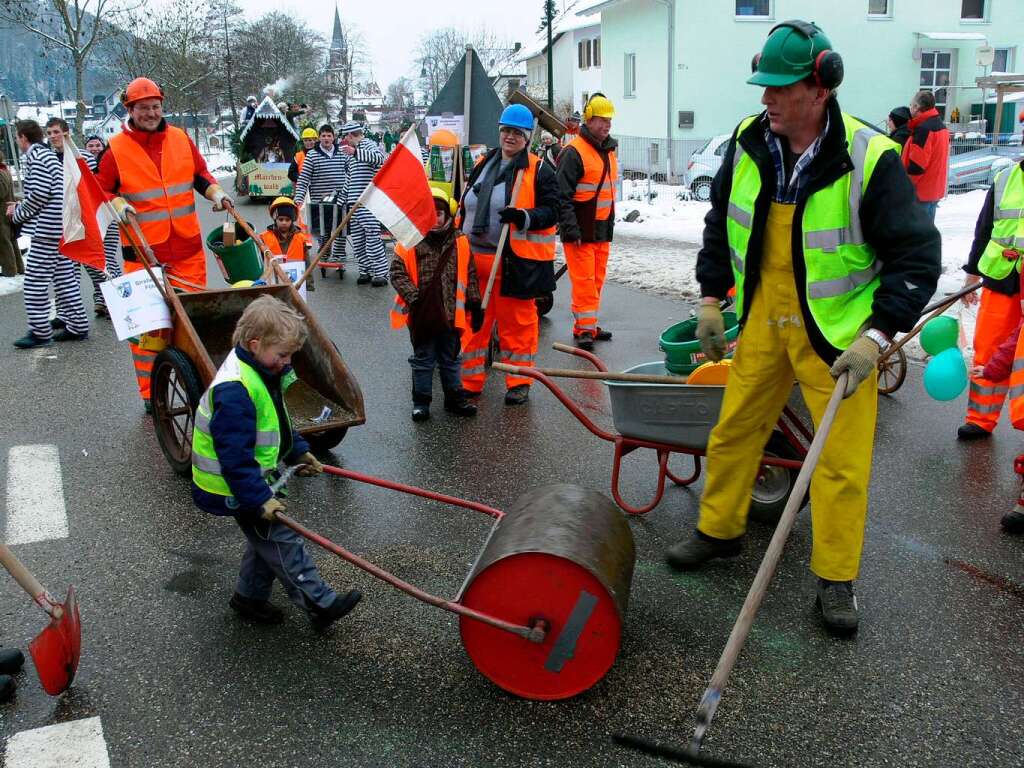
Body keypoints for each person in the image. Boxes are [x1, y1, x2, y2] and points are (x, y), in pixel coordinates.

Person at [665, 20, 941, 635]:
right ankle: (719, 530)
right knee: (735, 427)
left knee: (840, 463)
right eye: (762, 86)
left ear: (819, 89)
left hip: (839, 336)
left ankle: (836, 581)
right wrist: (712, 298)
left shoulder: (872, 159)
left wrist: (877, 336)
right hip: (765, 313)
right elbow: (721, 223)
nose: (765, 99)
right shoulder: (748, 141)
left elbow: (919, 261)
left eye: (780, 88)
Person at [191, 295, 363, 628]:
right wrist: (257, 499)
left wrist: (298, 449)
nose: (287, 362)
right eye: (282, 355)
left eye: (290, 355)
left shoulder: (261, 369)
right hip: (233, 484)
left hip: (247, 478)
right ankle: (319, 603)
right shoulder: (235, 391)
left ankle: (249, 598)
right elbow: (235, 458)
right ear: (254, 344)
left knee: (265, 541)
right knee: (281, 538)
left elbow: (277, 421)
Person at [96, 77, 232, 411]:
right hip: (142, 257)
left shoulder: (180, 139)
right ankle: (151, 395)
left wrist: (217, 193)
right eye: (143, 108)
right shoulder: (116, 150)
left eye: (156, 106)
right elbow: (101, 190)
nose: (151, 113)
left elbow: (201, 175)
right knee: (150, 332)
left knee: (193, 324)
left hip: (187, 251)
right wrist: (118, 205)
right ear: (130, 109)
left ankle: (198, 385)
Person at [457, 104, 559, 406]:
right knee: (474, 322)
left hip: (513, 261)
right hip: (474, 259)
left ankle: (518, 380)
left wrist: (524, 216)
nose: (510, 137)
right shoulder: (485, 162)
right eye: (506, 131)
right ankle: (470, 380)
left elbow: (552, 211)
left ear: (527, 137)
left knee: (518, 324)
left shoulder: (539, 170)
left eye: (516, 132)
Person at [390, 187, 483, 421]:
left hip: (452, 315)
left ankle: (454, 399)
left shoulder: (460, 241)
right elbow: (397, 272)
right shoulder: (410, 241)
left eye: (439, 213)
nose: (434, 218)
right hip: (422, 316)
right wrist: (414, 298)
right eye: (429, 213)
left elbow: (470, 273)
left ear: (448, 215)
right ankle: (421, 402)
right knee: (423, 360)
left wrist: (474, 301)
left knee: (451, 359)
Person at [957, 156, 1024, 440]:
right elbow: (984, 228)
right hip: (1001, 275)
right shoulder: (1005, 179)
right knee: (988, 348)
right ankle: (980, 418)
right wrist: (972, 272)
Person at [7, 119, 89, 348]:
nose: (17, 140)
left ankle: (40, 332)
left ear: (23, 137)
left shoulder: (35, 156)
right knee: (64, 278)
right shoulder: (49, 155)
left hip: (47, 229)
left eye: (17, 136)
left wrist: (18, 213)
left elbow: (41, 193)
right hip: (59, 226)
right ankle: (78, 325)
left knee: (34, 281)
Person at [556, 93, 620, 350]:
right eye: (602, 120)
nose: (606, 125)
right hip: (581, 230)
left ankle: (588, 326)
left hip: (602, 229)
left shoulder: (608, 150)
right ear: (589, 119)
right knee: (584, 282)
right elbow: (562, 196)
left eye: (609, 121)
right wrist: (571, 229)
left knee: (595, 281)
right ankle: (584, 330)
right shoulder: (574, 152)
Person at [46, 118, 121, 319]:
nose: (53, 136)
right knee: (73, 263)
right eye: (49, 133)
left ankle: (119, 300)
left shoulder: (83, 158)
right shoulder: (51, 160)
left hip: (97, 216)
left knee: (103, 261)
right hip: (73, 220)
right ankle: (70, 311)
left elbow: (96, 187)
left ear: (66, 133)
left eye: (56, 132)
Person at [338, 121, 388, 286]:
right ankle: (365, 271)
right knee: (358, 240)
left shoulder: (369, 145)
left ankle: (380, 274)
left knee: (372, 238)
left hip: (368, 203)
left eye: (346, 136)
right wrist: (341, 198)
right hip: (353, 203)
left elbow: (381, 159)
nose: (345, 140)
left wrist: (356, 152)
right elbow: (350, 178)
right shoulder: (351, 154)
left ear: (351, 135)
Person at [294, 124, 346, 275]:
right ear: (319, 138)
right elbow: (303, 179)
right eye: (323, 135)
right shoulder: (312, 155)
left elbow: (350, 172)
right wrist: (298, 198)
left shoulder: (342, 153)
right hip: (320, 201)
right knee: (324, 231)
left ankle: (338, 257)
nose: (326, 138)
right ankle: (324, 255)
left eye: (329, 135)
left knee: (340, 230)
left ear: (333, 137)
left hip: (340, 199)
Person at [903, 90, 950, 221]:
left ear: (917, 107)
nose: (910, 108)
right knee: (926, 234)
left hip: (920, 193)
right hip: (934, 190)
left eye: (911, 105)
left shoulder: (923, 129)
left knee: (917, 236)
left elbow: (917, 165)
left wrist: (905, 186)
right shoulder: (941, 127)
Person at [258, 196, 311, 270]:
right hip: (273, 280)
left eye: (287, 220)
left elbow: (307, 265)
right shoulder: (265, 238)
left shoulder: (301, 238)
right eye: (281, 219)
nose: (284, 222)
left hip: (295, 280)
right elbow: (260, 264)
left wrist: (309, 281)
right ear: (275, 219)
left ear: (292, 220)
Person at [0, 147, 22, 278]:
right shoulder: (4, 169)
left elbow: (1, 191)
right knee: (11, 240)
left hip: (2, 211)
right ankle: (18, 267)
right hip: (6, 209)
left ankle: (9, 270)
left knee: (4, 241)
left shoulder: (1, 171)